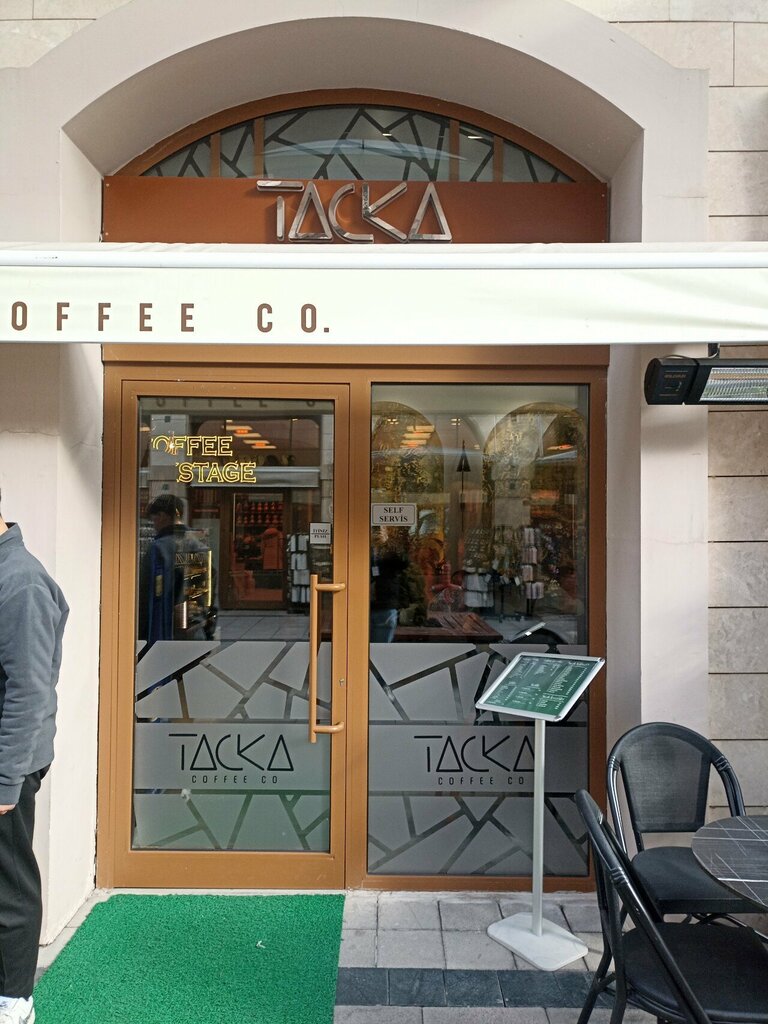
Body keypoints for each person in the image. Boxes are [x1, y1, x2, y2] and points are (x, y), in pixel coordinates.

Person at [0, 491, 68, 1024]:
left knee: (9, 885)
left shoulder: (20, 582)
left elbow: (28, 691)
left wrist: (5, 782)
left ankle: (15, 1001)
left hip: (7, 764)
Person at [138, 493, 212, 642]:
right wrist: (207, 631)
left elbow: (145, 596)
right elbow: (206, 595)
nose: (154, 525)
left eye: (154, 519)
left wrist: (140, 635)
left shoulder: (158, 549)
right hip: (193, 632)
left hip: (164, 633)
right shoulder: (199, 546)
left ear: (162, 516)